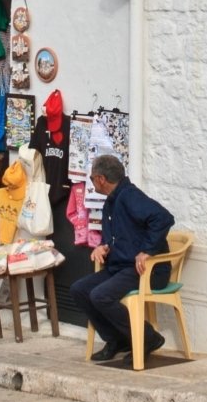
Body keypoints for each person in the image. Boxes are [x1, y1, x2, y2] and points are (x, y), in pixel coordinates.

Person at [70, 154, 174, 364]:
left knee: (101, 295)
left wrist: (147, 250)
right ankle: (117, 340)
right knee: (79, 290)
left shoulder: (129, 196)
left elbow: (163, 218)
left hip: (147, 271)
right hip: (121, 267)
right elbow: (117, 235)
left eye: (91, 178)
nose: (92, 181)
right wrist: (104, 246)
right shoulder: (112, 201)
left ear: (100, 179)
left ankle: (148, 338)